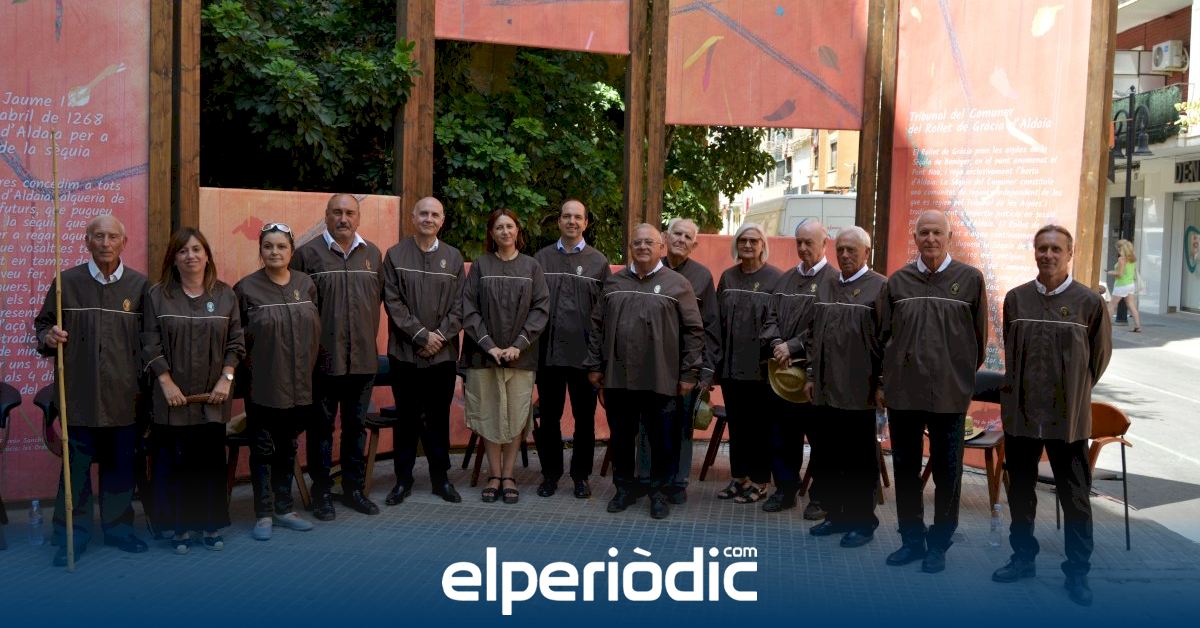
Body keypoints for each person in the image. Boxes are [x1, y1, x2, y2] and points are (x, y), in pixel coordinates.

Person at [993, 224, 1111, 607]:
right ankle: (1022, 558)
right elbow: (1012, 351)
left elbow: (1098, 360)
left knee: (1075, 498)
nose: (1048, 255)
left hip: (1067, 418)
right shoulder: (1016, 299)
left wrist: (1072, 390)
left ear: (1069, 254)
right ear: (1034, 252)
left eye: (1056, 249)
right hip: (1023, 414)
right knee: (1020, 493)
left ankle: (1077, 574)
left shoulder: (1089, 303)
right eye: (1042, 248)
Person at [33, 214, 150, 566]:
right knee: (76, 472)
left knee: (120, 467)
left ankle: (119, 529)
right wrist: (48, 336)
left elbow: (150, 340)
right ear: (86, 241)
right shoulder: (66, 282)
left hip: (124, 396)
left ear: (124, 242)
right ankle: (72, 534)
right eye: (98, 236)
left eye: (112, 237)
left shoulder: (140, 286)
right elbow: (43, 324)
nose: (105, 243)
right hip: (78, 395)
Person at [881, 210, 988, 573]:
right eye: (924, 232)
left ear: (949, 237)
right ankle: (911, 540)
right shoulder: (898, 282)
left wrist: (956, 376)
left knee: (948, 472)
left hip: (949, 395)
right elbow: (885, 337)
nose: (930, 238)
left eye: (937, 232)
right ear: (915, 238)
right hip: (904, 395)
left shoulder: (970, 280)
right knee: (905, 469)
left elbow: (978, 341)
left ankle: (939, 544)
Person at [587, 224, 705, 520]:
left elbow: (694, 331)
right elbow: (596, 326)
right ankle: (623, 489)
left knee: (662, 440)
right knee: (621, 438)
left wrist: (689, 374)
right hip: (618, 378)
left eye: (649, 242)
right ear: (630, 247)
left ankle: (659, 493)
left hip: (661, 378)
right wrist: (594, 366)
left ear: (661, 246)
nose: (642, 247)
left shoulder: (678, 284)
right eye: (637, 242)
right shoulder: (614, 283)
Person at [142, 228, 245, 553]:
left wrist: (226, 379)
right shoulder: (157, 295)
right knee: (174, 463)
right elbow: (149, 343)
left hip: (212, 399)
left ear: (207, 255)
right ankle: (179, 527)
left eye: (197, 249)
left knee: (208, 462)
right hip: (171, 400)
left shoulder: (225, 295)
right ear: (173, 258)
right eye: (183, 250)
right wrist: (166, 382)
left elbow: (236, 343)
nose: (191, 256)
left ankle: (210, 525)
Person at [292, 193, 384, 519]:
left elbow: (378, 300)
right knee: (321, 429)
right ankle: (321, 493)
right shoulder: (306, 255)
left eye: (349, 213)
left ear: (358, 217)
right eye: (337, 212)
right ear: (326, 215)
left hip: (363, 360)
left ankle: (353, 490)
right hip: (323, 361)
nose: (343, 218)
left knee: (356, 428)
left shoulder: (372, 254)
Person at [234, 223, 322, 541]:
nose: (275, 252)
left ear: (291, 251)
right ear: (260, 250)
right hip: (262, 386)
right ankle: (263, 513)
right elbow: (236, 340)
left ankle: (284, 509)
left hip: (300, 386)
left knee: (288, 447)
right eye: (268, 246)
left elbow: (315, 331)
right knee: (262, 449)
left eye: (281, 246)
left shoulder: (306, 284)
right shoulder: (245, 289)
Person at [803, 226, 886, 549]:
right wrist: (811, 376)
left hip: (859, 391)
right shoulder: (827, 284)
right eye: (841, 250)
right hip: (825, 389)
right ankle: (836, 516)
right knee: (829, 456)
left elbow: (888, 341)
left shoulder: (880, 287)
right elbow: (814, 335)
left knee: (859, 461)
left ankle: (862, 522)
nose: (845, 255)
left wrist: (882, 384)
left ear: (867, 252)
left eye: (852, 250)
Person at [460, 209, 550, 504]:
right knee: (489, 414)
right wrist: (490, 346)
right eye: (499, 227)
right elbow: (469, 307)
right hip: (484, 356)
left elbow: (540, 309)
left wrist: (518, 345)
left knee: (515, 416)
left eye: (509, 226)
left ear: (517, 230)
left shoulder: (531, 267)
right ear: (491, 233)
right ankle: (494, 474)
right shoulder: (481, 265)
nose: (505, 231)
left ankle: (509, 475)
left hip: (521, 357)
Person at [381, 197, 464, 505]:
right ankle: (402, 480)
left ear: (442, 220)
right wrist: (420, 336)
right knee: (407, 419)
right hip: (404, 354)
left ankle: (441, 479)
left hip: (443, 355)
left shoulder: (453, 257)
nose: (429, 219)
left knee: (438, 419)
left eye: (435, 214)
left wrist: (438, 337)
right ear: (413, 218)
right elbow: (392, 301)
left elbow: (461, 304)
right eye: (424, 213)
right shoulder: (395, 255)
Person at [636, 217, 720, 504]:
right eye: (677, 234)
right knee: (647, 423)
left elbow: (710, 327)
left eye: (687, 237)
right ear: (665, 237)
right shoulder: (647, 268)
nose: (681, 240)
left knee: (681, 426)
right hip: (649, 364)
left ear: (694, 245)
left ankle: (677, 482)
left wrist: (704, 372)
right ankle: (645, 477)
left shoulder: (702, 277)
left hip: (686, 366)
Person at [533, 200, 611, 499]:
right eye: (566, 216)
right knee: (548, 419)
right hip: (548, 355)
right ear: (559, 221)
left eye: (578, 217)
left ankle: (581, 476)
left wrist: (599, 359)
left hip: (584, 357)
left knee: (585, 421)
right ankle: (550, 475)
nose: (572, 221)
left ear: (586, 223)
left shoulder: (598, 262)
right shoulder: (541, 259)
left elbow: (605, 314)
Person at [761, 219, 835, 515]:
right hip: (782, 374)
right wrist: (777, 344)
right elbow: (770, 317)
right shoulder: (786, 280)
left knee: (821, 439)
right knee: (783, 437)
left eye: (809, 242)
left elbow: (826, 326)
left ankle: (821, 497)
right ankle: (785, 491)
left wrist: (793, 346)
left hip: (816, 376)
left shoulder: (834, 281)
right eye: (799, 242)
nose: (803, 248)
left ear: (824, 244)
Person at [715, 223, 781, 505]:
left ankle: (760, 480)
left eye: (754, 241)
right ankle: (739, 477)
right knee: (737, 426)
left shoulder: (775, 279)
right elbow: (717, 321)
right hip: (731, 367)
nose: (748, 245)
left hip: (761, 370)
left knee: (760, 428)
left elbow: (778, 321)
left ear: (763, 245)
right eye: (743, 240)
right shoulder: (728, 277)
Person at [1107, 238, 1142, 332]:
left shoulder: (1121, 259)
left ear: (1120, 249)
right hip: (1130, 284)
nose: (1117, 250)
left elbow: (1120, 274)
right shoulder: (1132, 259)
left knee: (1111, 305)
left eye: (1118, 248)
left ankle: (1105, 326)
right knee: (1131, 305)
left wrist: (1110, 272)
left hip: (1121, 285)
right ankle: (1138, 326)